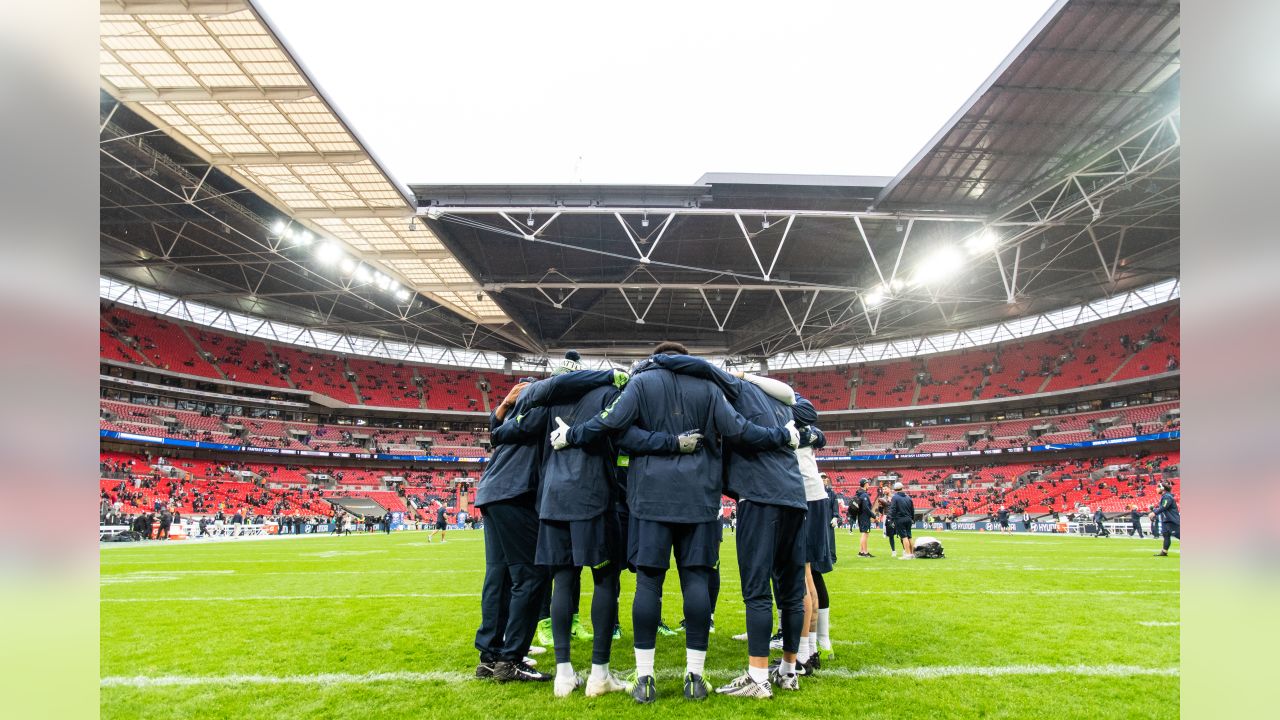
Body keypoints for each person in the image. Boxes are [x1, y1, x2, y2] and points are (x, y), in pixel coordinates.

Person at [551, 341, 799, 703]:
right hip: (699, 499)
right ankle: (695, 677)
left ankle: (646, 680)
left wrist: (572, 434)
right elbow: (739, 430)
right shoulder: (709, 386)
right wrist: (783, 436)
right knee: (696, 580)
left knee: (648, 584)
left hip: (649, 499)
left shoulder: (641, 382)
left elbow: (614, 426)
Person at [522, 353, 696, 697]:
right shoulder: (609, 395)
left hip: (553, 500)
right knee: (604, 582)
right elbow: (627, 439)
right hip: (593, 499)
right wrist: (670, 443)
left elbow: (526, 421)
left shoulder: (549, 396)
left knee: (562, 583)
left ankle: (563, 674)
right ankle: (599, 675)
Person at [638, 353, 811, 697]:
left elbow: (701, 367)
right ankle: (789, 670)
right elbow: (810, 416)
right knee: (791, 591)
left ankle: (758, 678)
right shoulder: (784, 405)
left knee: (757, 590)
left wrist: (658, 359)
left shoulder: (738, 389)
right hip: (795, 496)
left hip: (760, 497)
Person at [473, 378, 553, 683]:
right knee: (531, 575)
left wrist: (506, 403)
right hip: (515, 495)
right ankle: (512, 658)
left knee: (499, 575)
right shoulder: (539, 414)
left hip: (492, 494)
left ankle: (489, 657)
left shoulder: (511, 418)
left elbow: (496, 431)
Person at [1152, 481, 1179, 556]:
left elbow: (1164, 506)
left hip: (1172, 520)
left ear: (1162, 489)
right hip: (1166, 520)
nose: (1156, 490)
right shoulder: (1164, 496)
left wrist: (1154, 513)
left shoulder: (1167, 496)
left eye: (1157, 488)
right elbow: (1162, 507)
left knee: (1178, 535)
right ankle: (1164, 551)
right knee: (1166, 535)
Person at [889, 482, 915, 559]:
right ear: (902, 488)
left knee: (904, 537)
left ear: (894, 489)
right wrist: (912, 519)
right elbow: (912, 510)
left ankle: (907, 554)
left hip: (900, 519)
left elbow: (893, 509)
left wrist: (891, 519)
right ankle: (912, 554)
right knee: (909, 537)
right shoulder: (908, 497)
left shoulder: (895, 497)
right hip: (908, 519)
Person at [874, 482, 895, 557]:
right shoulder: (882, 499)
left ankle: (904, 550)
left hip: (895, 517)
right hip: (887, 516)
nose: (884, 490)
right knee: (891, 535)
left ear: (889, 489)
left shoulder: (894, 497)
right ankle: (893, 551)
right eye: (883, 489)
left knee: (901, 534)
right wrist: (880, 510)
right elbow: (880, 510)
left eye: (885, 488)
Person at [855, 479, 874, 557]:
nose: (869, 485)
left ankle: (861, 551)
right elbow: (866, 508)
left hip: (860, 516)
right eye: (868, 483)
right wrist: (873, 515)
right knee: (865, 534)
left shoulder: (859, 494)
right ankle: (865, 552)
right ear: (865, 484)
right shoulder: (864, 495)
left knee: (864, 533)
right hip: (864, 517)